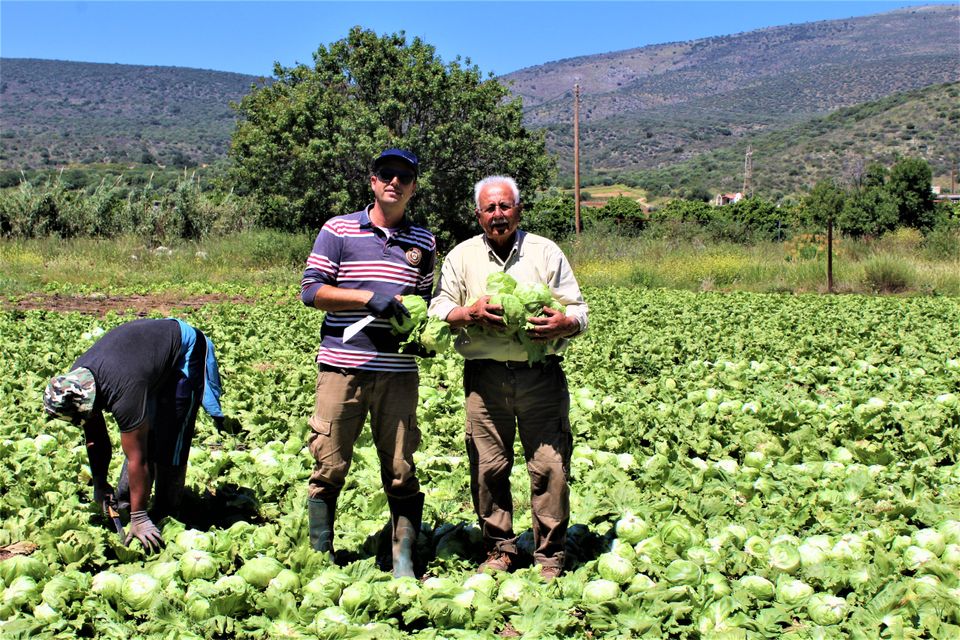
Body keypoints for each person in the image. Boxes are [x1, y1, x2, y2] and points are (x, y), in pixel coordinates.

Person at [428, 175, 589, 580]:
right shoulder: (461, 256)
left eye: (505, 207)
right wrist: (469, 314)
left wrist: (563, 323)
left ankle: (549, 554)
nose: (497, 215)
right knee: (488, 466)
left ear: (518, 209)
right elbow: (439, 307)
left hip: (541, 375)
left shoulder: (545, 251)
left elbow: (580, 311)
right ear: (478, 215)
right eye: (489, 209)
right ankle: (499, 548)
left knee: (550, 466)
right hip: (485, 379)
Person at [299, 148, 436, 578]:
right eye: (386, 175)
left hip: (397, 374)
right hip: (343, 367)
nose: (393, 182)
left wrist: (422, 338)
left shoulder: (424, 242)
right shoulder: (337, 230)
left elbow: (425, 303)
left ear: (413, 187)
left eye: (403, 176)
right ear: (373, 181)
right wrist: (365, 298)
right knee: (329, 463)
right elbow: (311, 291)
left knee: (399, 466)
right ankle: (321, 557)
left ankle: (402, 560)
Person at [42, 317, 230, 552]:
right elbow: (95, 437)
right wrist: (100, 484)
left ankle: (166, 512)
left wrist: (139, 516)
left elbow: (137, 457)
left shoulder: (123, 390)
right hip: (142, 359)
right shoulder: (76, 381)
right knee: (145, 435)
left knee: (171, 434)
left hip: (184, 348)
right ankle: (126, 502)